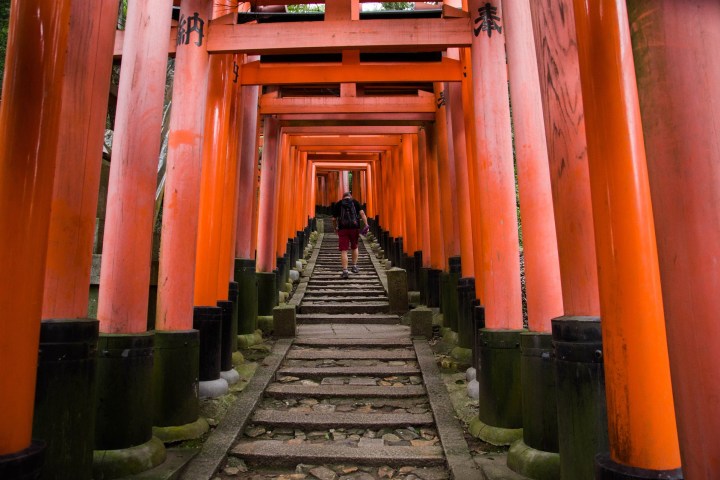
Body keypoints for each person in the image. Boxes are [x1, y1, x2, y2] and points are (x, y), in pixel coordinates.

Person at [331, 192, 369, 279]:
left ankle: (345, 271)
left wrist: (335, 228)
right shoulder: (355, 202)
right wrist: (366, 224)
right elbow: (362, 214)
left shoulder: (338, 204)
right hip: (354, 228)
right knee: (354, 247)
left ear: (343, 197)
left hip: (343, 229)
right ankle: (354, 266)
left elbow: (333, 218)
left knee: (344, 250)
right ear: (350, 196)